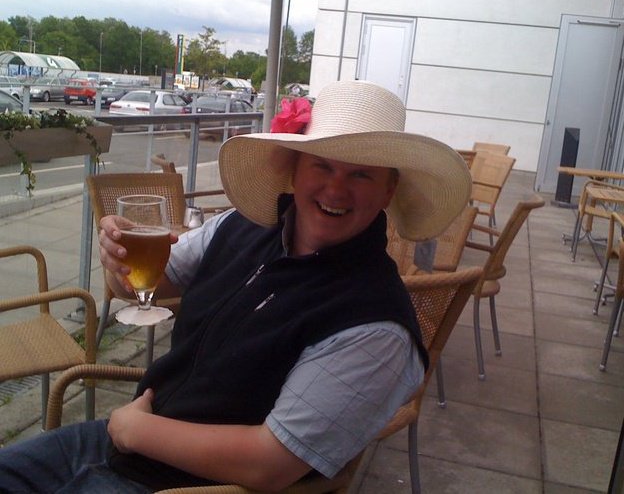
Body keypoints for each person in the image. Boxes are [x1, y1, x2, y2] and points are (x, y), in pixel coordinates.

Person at [0, 80, 471, 493]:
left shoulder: (375, 325)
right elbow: (146, 285)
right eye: (322, 166)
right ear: (295, 169)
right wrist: (116, 261)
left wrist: (133, 431)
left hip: (181, 483)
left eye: (361, 173)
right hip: (121, 443)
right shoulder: (241, 226)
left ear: (388, 190)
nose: (336, 189)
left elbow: (271, 463)